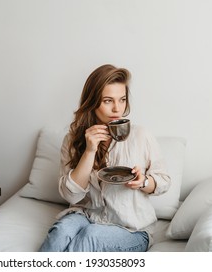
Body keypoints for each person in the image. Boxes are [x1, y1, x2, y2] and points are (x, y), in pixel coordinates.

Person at [39, 64, 171, 252]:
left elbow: (164, 181)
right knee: (60, 232)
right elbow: (71, 196)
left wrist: (143, 182)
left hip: (132, 229)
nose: (117, 108)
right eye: (108, 101)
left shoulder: (141, 136)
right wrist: (89, 151)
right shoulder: (73, 139)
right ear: (92, 103)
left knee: (89, 238)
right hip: (86, 215)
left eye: (122, 100)